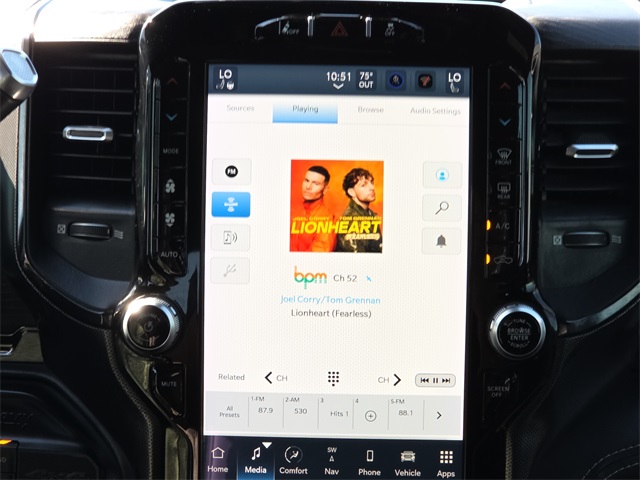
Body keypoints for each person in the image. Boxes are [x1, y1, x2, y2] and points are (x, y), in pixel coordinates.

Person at [290, 166, 337, 252]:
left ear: (325, 189)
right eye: (307, 180)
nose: (308, 187)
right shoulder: (296, 211)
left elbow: (317, 256)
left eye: (316, 183)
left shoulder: (327, 219)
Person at [335, 168, 383, 253]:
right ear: (351, 192)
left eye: (371, 182)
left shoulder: (369, 214)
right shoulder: (351, 221)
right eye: (363, 185)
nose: (372, 187)